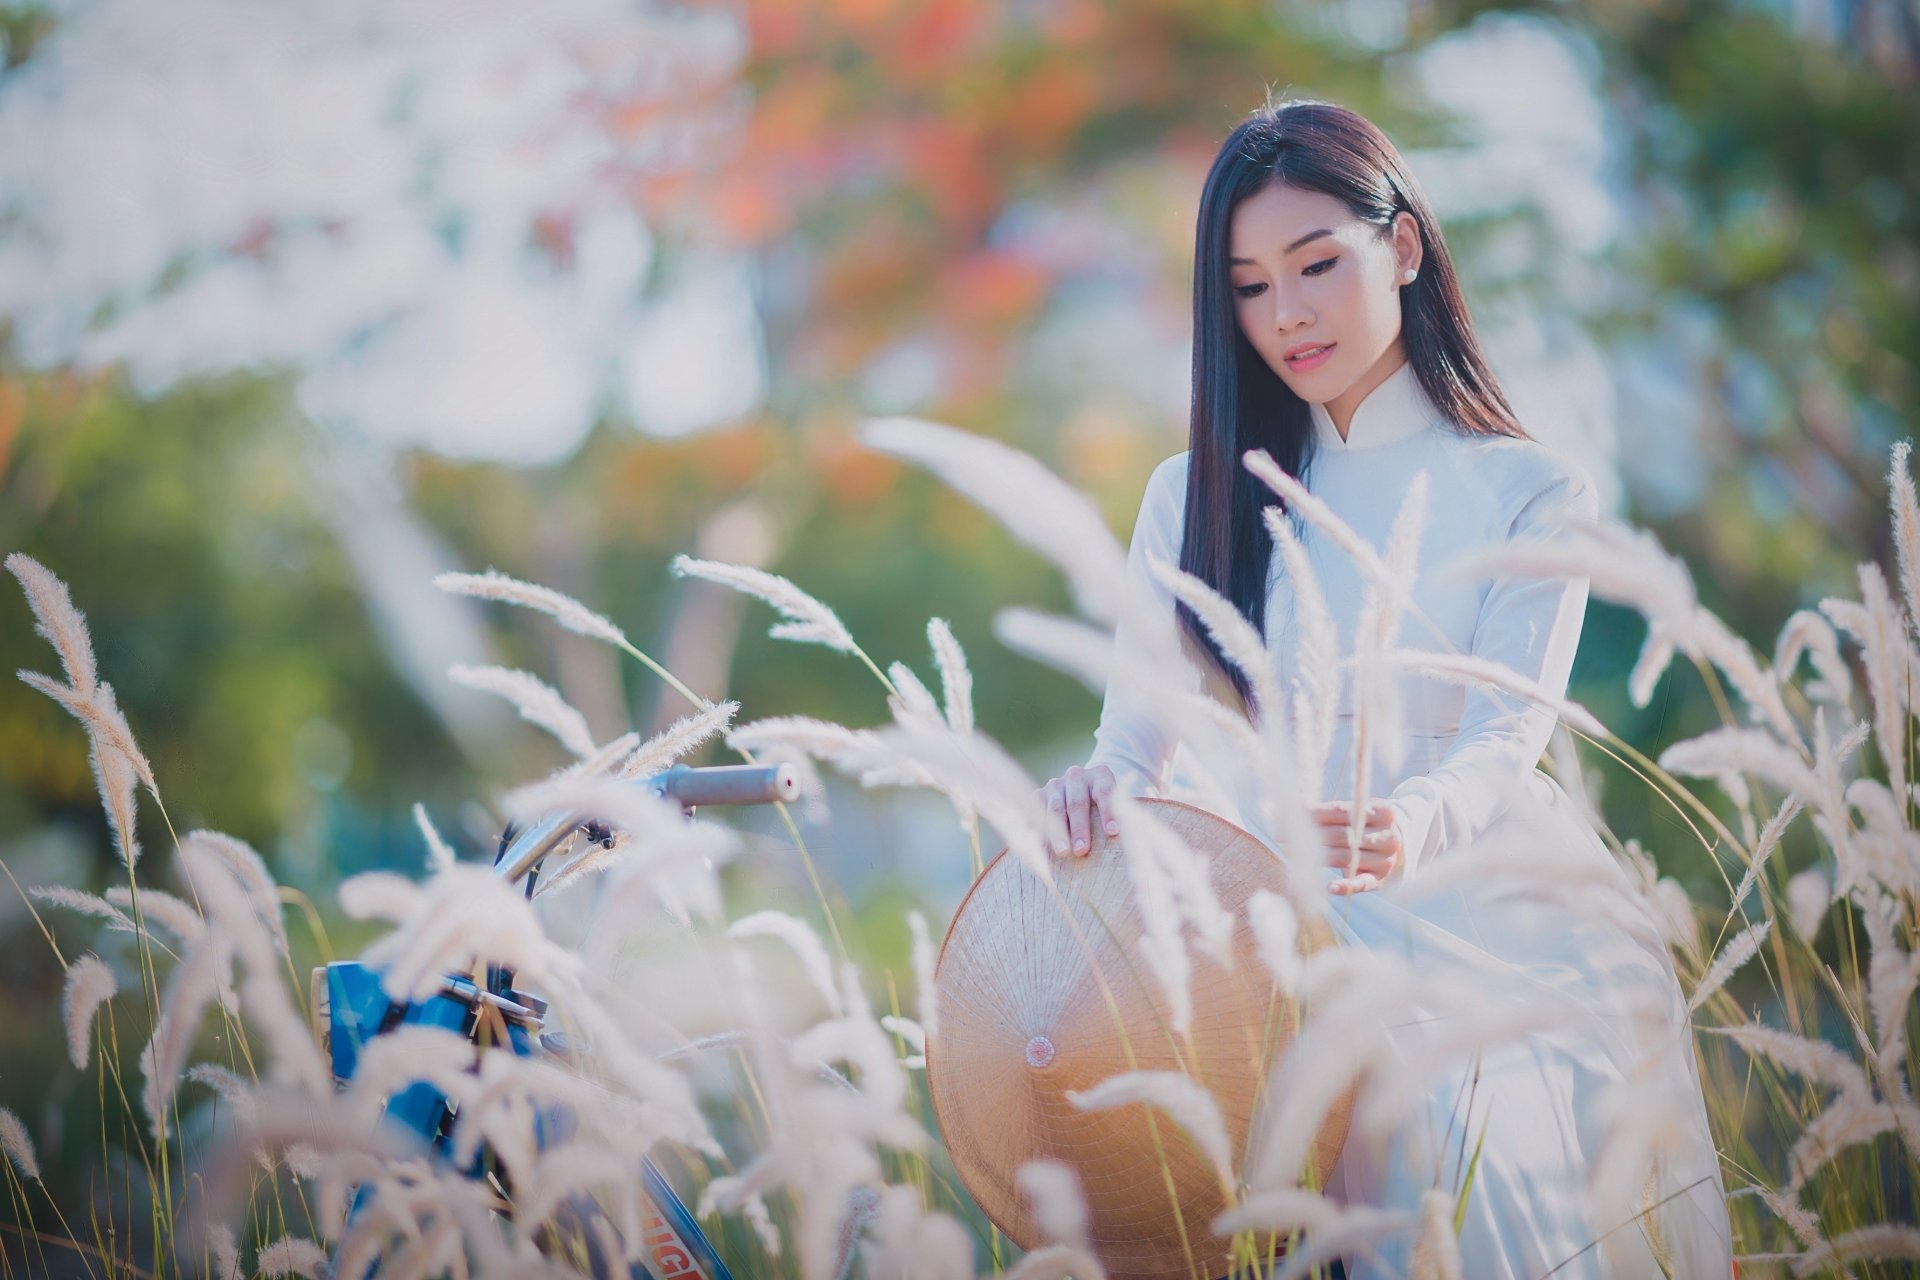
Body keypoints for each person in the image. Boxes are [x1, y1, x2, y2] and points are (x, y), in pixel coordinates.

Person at [1037, 99, 1734, 1278]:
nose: (1287, 312)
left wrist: (1408, 824)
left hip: (1486, 915)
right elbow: (1137, 733)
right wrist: (1095, 791)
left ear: (1403, 247)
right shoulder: (1196, 494)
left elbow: (1506, 730)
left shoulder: (1525, 487)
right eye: (1250, 286)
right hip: (1276, 914)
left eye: (1317, 264)